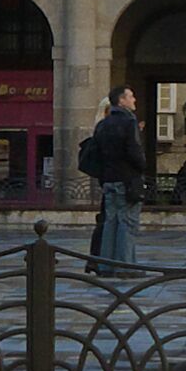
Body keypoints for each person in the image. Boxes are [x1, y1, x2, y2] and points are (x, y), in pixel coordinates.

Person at [79, 87, 146, 272]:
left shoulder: (102, 124)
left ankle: (106, 265)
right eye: (131, 96)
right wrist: (142, 165)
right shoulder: (129, 122)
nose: (134, 100)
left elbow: (97, 153)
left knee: (110, 223)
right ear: (121, 100)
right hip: (127, 180)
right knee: (127, 223)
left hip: (109, 179)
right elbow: (134, 151)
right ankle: (126, 266)